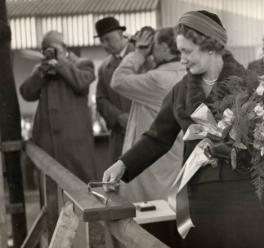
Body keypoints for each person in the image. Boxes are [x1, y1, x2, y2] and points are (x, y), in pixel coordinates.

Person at [103, 10, 264, 248]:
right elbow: (156, 138)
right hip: (199, 200)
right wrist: (122, 165)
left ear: (211, 46)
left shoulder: (252, 85)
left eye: (187, 52)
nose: (181, 59)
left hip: (243, 198)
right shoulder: (180, 90)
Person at [111, 27, 185, 202]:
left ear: (165, 48)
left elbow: (118, 81)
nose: (151, 50)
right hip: (174, 154)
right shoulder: (186, 74)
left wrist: (138, 53)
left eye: (155, 45)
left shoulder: (156, 79)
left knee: (148, 215)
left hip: (151, 160)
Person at [20, 30, 97, 183]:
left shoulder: (82, 64)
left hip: (75, 142)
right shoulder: (41, 69)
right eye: (46, 49)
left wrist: (61, 63)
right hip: (48, 142)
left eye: (53, 48)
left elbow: (81, 83)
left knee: (81, 183)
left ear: (64, 47)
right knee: (52, 187)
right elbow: (27, 93)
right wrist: (42, 70)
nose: (50, 53)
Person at [95, 16, 134, 167]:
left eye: (107, 39)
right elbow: (100, 99)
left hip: (147, 129)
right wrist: (118, 116)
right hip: (120, 135)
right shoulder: (104, 68)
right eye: (101, 41)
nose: (104, 45)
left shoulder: (144, 56)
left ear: (120, 34)